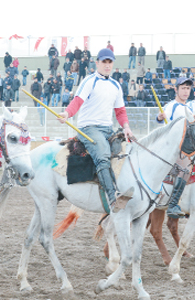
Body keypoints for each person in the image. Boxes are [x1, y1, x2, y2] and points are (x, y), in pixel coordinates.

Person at [57, 48, 134, 213]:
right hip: (89, 128)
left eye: (110, 62)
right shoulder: (89, 81)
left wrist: (126, 127)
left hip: (108, 129)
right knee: (104, 155)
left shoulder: (116, 85)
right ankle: (113, 198)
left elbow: (120, 111)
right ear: (97, 63)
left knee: (124, 152)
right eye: (104, 62)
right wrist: (67, 113)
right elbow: (77, 101)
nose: (107, 65)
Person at [156, 77, 195, 218]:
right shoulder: (172, 105)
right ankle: (173, 204)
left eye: (188, 88)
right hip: (172, 148)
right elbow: (162, 116)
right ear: (176, 89)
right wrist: (160, 117)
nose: (186, 91)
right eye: (183, 88)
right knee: (186, 168)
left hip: (185, 148)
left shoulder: (189, 108)